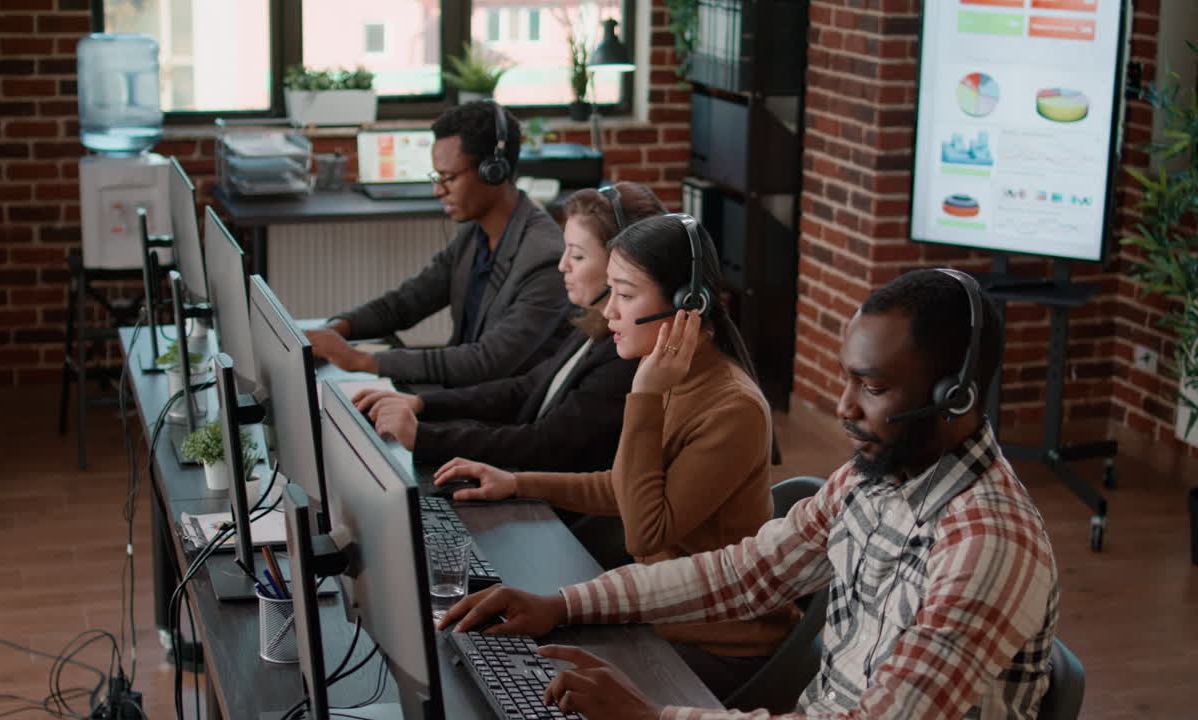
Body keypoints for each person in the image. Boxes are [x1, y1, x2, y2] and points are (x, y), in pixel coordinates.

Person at [438, 268, 1060, 720]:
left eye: (872, 387)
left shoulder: (987, 547)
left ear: (957, 398)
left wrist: (654, 718)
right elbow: (744, 573)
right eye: (849, 379)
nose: (843, 408)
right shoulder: (873, 478)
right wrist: (564, 603)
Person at [434, 214, 799, 698]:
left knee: (535, 683)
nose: (609, 314)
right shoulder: (674, 373)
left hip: (715, 645)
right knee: (492, 658)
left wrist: (644, 394)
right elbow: (628, 486)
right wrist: (518, 482)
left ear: (689, 304)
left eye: (626, 296)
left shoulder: (730, 406)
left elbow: (645, 528)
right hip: (658, 615)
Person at [351, 183, 665, 471]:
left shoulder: (626, 351)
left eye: (578, 256)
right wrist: (423, 403)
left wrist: (424, 438)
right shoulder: (595, 324)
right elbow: (526, 387)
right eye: (566, 249)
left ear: (621, 263)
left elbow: (547, 444)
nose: (562, 265)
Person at [304, 100, 568, 386]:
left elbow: (488, 361)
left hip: (501, 413)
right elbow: (407, 303)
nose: (437, 190)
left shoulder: (545, 258)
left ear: (494, 171)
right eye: (437, 176)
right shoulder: (474, 235)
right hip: (464, 395)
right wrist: (332, 332)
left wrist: (361, 361)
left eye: (449, 178)